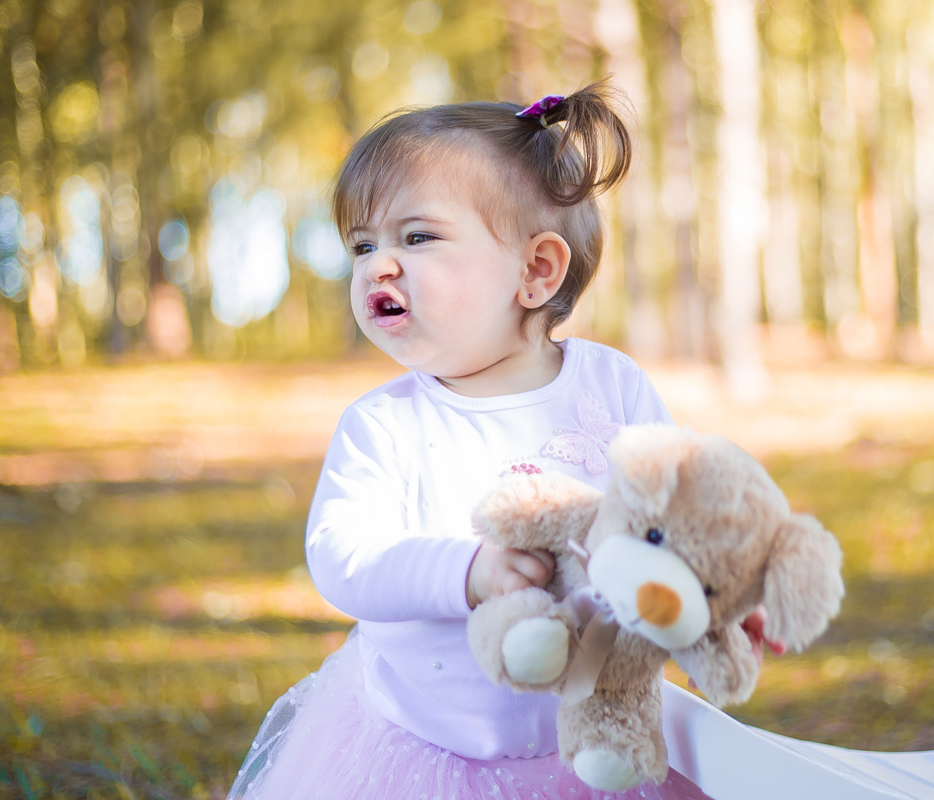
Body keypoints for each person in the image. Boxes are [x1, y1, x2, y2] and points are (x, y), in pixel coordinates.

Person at [228, 81, 784, 800]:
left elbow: (675, 516)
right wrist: (466, 574)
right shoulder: (384, 424)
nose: (378, 265)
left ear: (535, 270)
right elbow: (343, 556)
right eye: (363, 245)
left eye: (416, 236)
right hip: (423, 751)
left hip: (591, 742)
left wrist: (727, 587)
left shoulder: (608, 385)